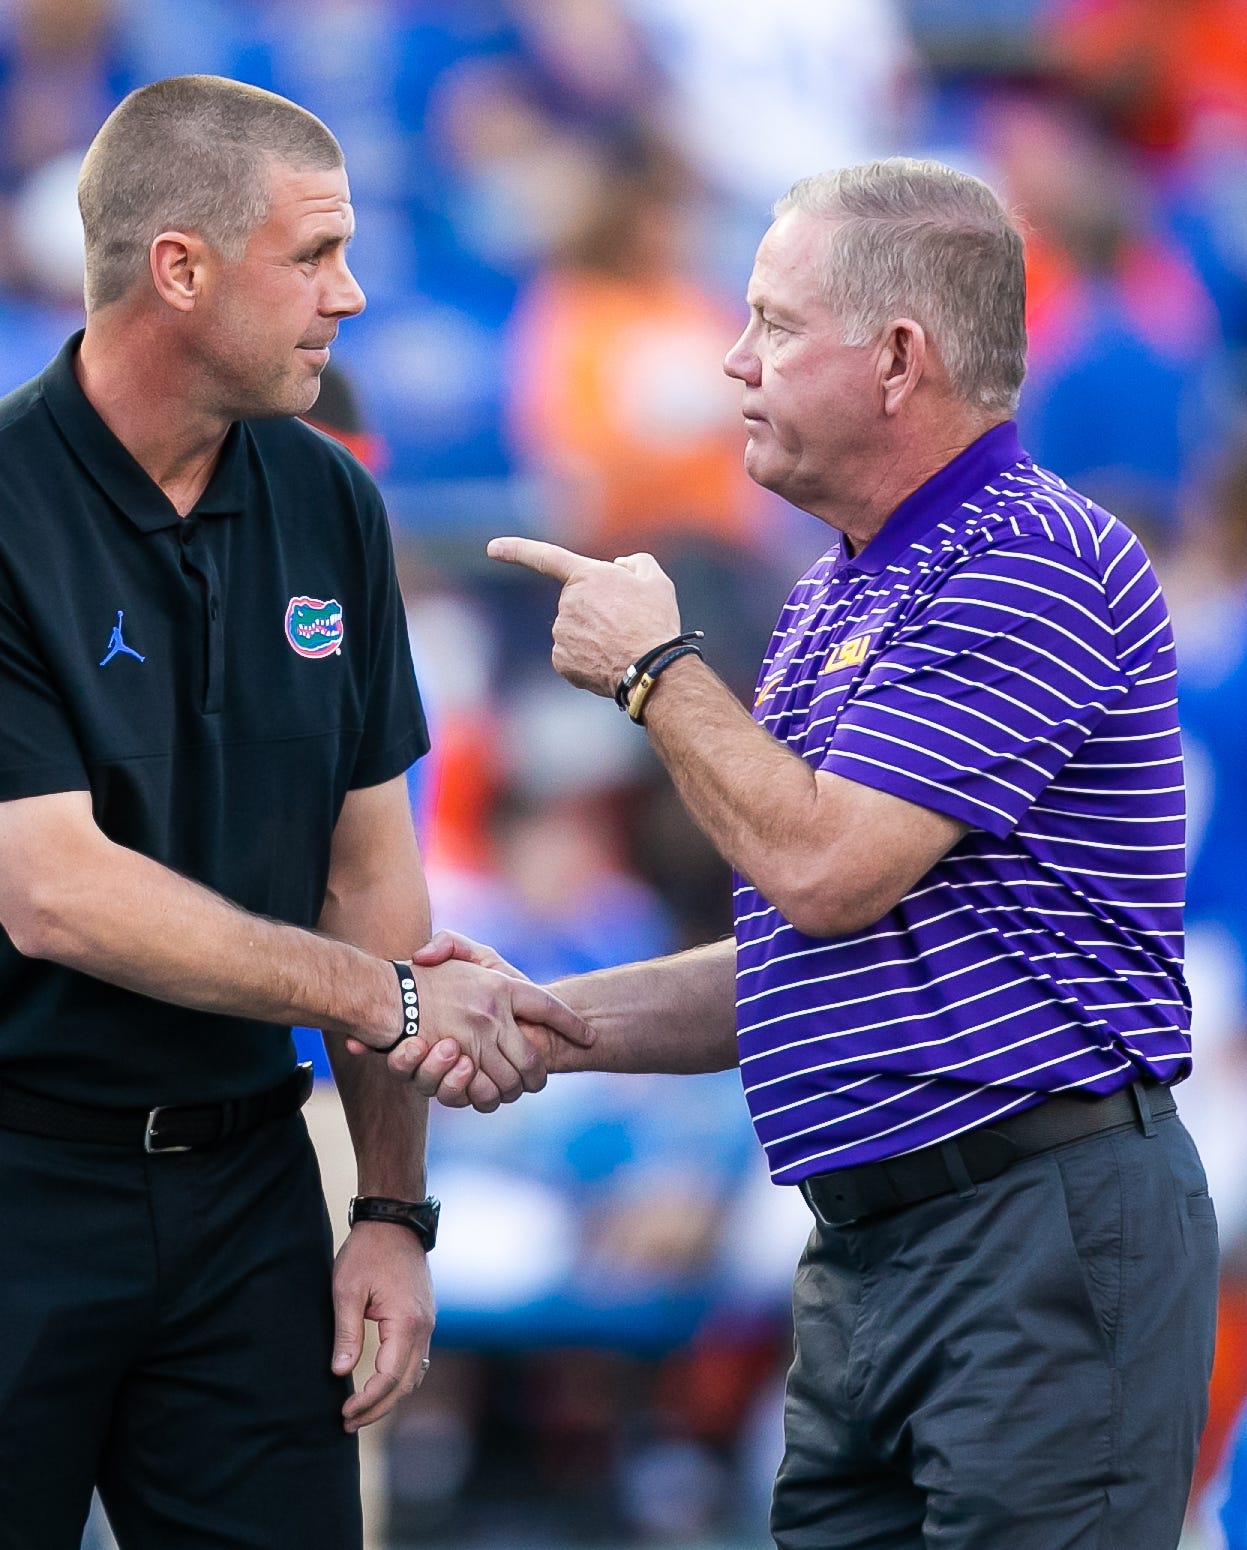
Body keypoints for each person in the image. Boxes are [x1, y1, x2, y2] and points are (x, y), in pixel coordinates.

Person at [0, 74, 589, 1550]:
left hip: (242, 1183)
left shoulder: (332, 504)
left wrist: (392, 1215)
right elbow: (59, 894)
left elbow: (372, 871)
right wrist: (385, 992)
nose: (349, 297)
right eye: (314, 255)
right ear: (179, 267)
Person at [394, 158, 1219, 1546]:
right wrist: (554, 1017)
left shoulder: (1030, 553)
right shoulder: (839, 588)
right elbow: (806, 950)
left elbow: (828, 868)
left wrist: (655, 668)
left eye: (774, 322)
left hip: (1033, 1229)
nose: (733, 357)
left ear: (899, 357)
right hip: (876, 1244)